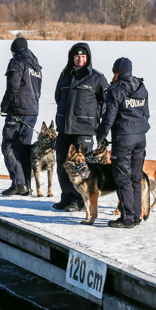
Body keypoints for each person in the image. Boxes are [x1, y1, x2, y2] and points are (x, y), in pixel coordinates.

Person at [53, 43, 109, 211]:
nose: (80, 59)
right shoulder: (65, 75)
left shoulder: (97, 78)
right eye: (77, 56)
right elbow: (58, 97)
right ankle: (67, 197)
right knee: (63, 164)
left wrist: (100, 124)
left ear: (88, 58)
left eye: (83, 57)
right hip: (64, 128)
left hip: (84, 129)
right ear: (72, 58)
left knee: (82, 167)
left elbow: (106, 102)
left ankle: (79, 201)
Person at [97, 58, 150, 228]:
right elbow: (146, 114)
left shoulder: (116, 90)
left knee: (122, 178)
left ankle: (127, 218)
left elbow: (108, 117)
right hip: (140, 139)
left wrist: (101, 136)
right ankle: (135, 216)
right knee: (135, 177)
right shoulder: (142, 88)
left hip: (123, 139)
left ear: (116, 72)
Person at [0, 37, 42, 196]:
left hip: (18, 110)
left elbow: (13, 86)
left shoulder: (17, 62)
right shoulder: (35, 66)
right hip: (32, 110)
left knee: (9, 146)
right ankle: (26, 185)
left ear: (14, 50)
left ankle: (19, 184)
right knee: (24, 147)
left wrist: (5, 105)